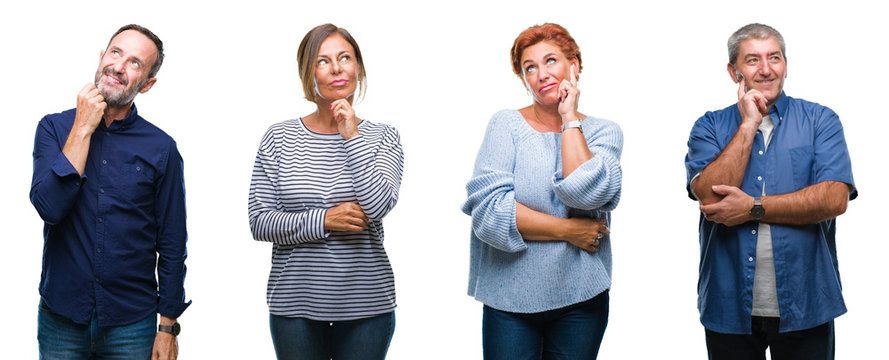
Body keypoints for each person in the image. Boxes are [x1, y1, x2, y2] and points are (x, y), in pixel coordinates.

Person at [684, 23, 856, 360]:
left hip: (807, 302)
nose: (766, 69)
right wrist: (748, 124)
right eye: (752, 60)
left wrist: (753, 207)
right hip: (728, 304)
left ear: (786, 65)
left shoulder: (821, 120)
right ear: (734, 71)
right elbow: (711, 198)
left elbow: (834, 198)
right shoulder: (709, 127)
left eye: (774, 58)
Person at [461, 23, 622, 359]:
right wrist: (569, 231)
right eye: (529, 68)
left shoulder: (603, 132)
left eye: (550, 61)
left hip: (582, 297)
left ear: (573, 66)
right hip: (508, 299)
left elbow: (586, 194)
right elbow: (489, 212)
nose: (540, 74)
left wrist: (569, 120)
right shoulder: (506, 125)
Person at [29, 24, 189, 360]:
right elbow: (50, 207)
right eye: (115, 52)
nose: (118, 65)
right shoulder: (54, 129)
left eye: (135, 62)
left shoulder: (162, 149)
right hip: (61, 319)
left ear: (147, 84)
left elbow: (172, 243)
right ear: (101, 57)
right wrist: (84, 127)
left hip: (132, 324)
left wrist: (168, 327)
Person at [248, 23, 403, 360]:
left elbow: (377, 206)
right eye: (323, 61)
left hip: (367, 304)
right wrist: (326, 220)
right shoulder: (278, 138)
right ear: (309, 74)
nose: (336, 68)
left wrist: (351, 136)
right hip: (295, 304)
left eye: (345, 58)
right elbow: (260, 222)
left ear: (357, 68)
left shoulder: (384, 138)